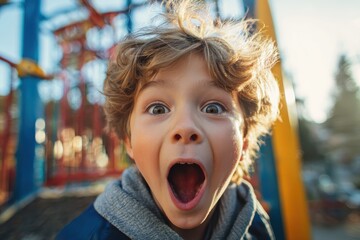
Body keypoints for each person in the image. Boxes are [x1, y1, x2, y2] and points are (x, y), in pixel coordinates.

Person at [56, 0, 280, 239]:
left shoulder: (257, 228)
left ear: (244, 142)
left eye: (213, 109)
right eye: (158, 109)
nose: (185, 127)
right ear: (129, 141)